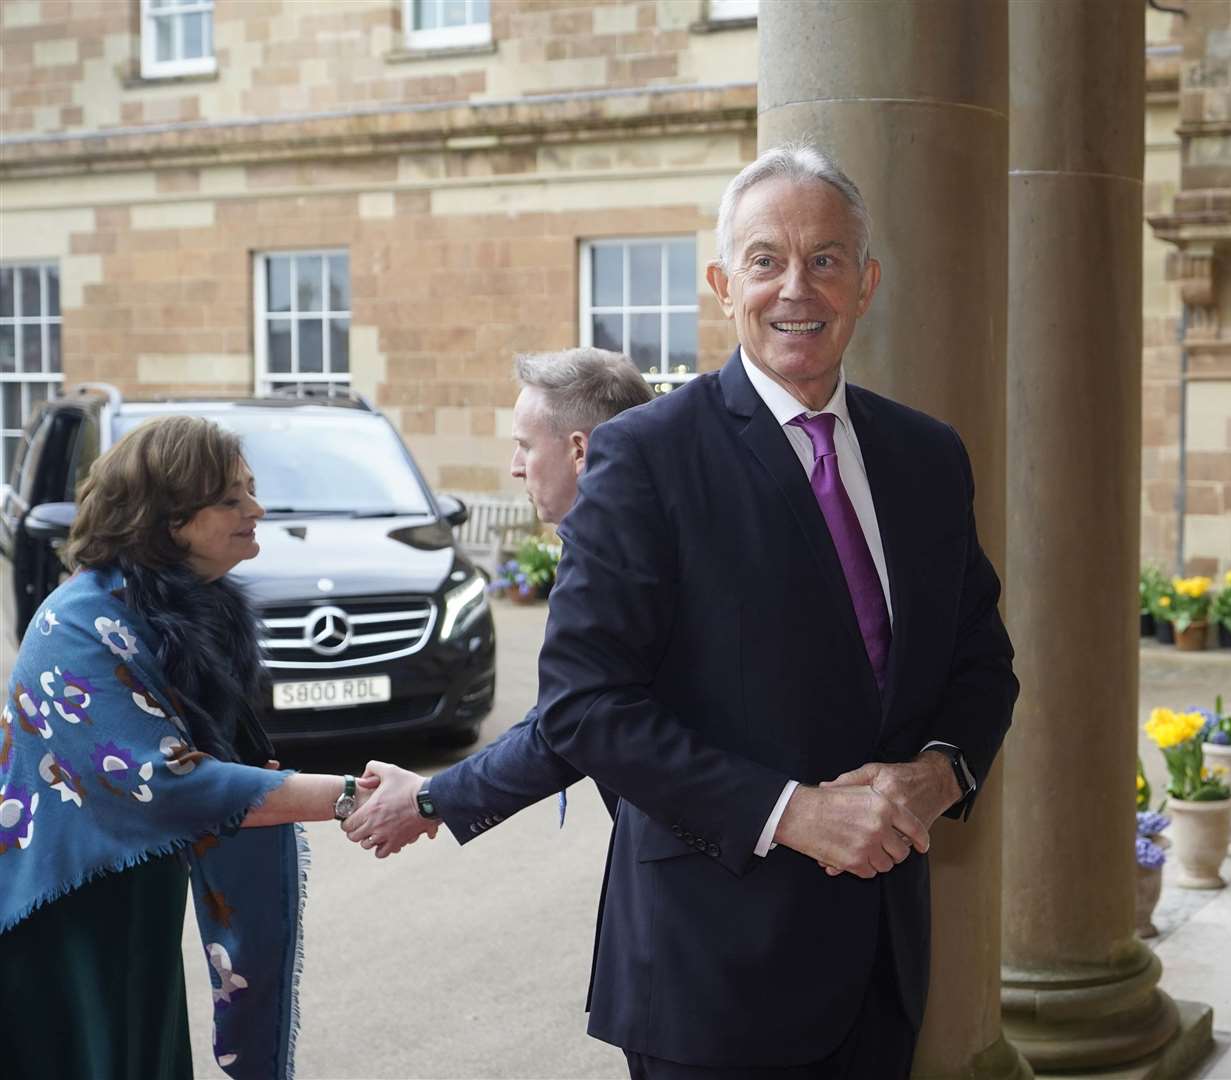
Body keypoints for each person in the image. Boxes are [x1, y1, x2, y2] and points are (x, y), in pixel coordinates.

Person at [372, 145, 1017, 1078]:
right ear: (723, 284)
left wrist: (939, 773)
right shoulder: (645, 458)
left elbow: (980, 662)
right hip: (711, 970)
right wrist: (792, 812)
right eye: (766, 260)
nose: (797, 287)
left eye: (826, 259)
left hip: (882, 959)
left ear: (866, 283)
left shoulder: (927, 455)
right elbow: (588, 708)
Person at [0, 415, 372, 1080]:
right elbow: (166, 783)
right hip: (61, 920)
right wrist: (347, 796)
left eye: (250, 491)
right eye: (230, 498)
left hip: (134, 901)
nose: (255, 510)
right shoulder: (76, 625)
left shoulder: (178, 610)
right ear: (169, 520)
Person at [341, 347, 653, 854]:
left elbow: (573, 726)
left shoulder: (612, 554)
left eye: (525, 447)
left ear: (580, 450)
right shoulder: (647, 529)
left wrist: (427, 799)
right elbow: (567, 709)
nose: (514, 467)